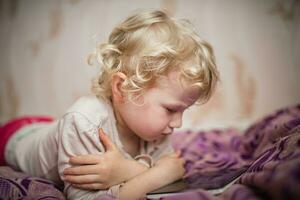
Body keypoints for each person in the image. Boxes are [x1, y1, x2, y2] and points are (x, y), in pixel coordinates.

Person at [0, 9, 219, 200]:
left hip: (49, 126)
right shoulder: (82, 121)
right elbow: (84, 197)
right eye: (171, 109)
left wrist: (127, 170)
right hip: (14, 137)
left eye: (184, 110)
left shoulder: (156, 128)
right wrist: (158, 174)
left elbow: (165, 170)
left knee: (58, 129)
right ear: (123, 88)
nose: (178, 123)